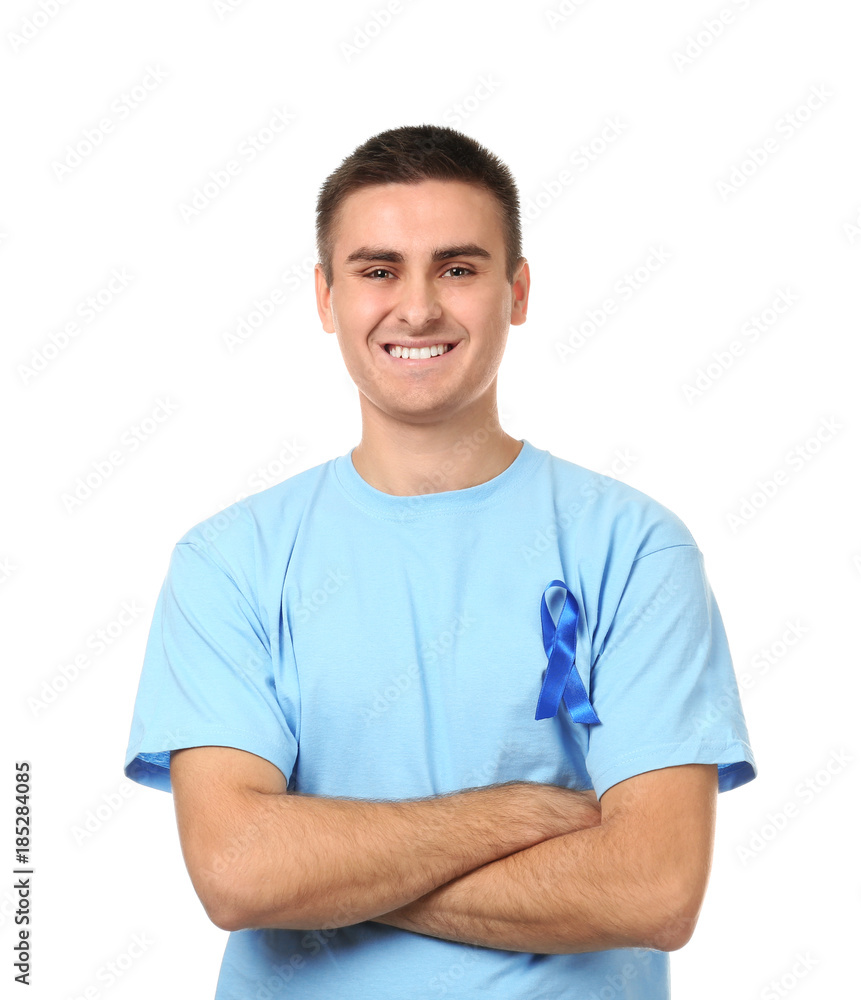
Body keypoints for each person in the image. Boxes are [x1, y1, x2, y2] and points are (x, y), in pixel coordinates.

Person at [124, 124, 757, 999]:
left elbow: (653, 887)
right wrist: (524, 817)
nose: (416, 307)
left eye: (457, 268)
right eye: (377, 270)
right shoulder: (228, 562)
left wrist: (326, 870)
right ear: (325, 296)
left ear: (517, 290)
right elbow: (238, 873)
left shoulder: (634, 548)